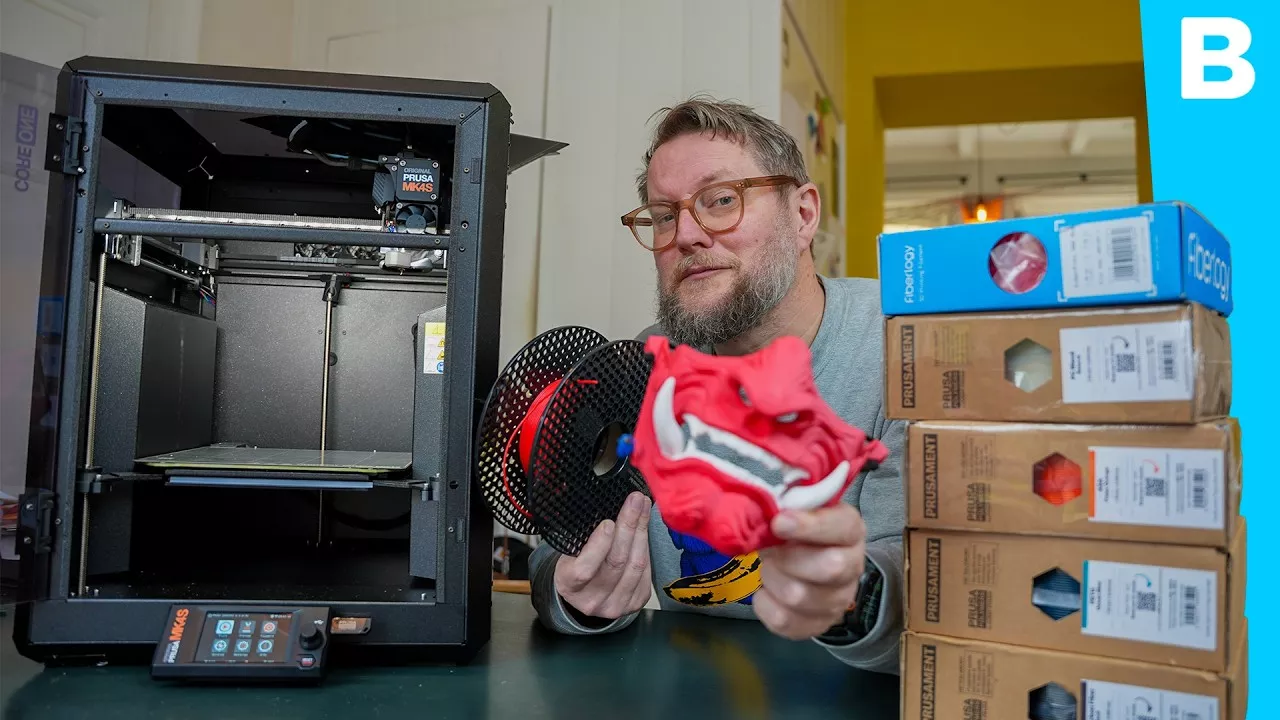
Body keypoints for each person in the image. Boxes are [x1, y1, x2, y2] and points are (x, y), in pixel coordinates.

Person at [527, 96, 907, 675]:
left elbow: (934, 571)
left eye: (721, 200)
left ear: (803, 215)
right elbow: (557, 546)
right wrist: (574, 595)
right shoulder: (641, 367)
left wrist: (853, 594)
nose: (685, 234)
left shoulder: (902, 349)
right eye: (662, 215)